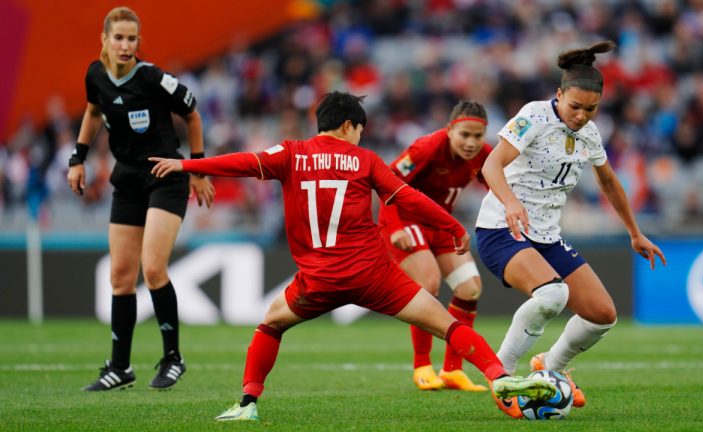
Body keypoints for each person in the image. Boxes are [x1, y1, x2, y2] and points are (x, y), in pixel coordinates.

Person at [150, 91, 556, 421]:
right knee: (447, 324)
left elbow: (242, 162)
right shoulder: (364, 160)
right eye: (359, 128)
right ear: (349, 126)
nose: (360, 135)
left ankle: (247, 403)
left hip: (317, 280)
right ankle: (498, 376)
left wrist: (187, 164)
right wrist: (451, 227)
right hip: (374, 276)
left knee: (270, 324)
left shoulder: (290, 153)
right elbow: (409, 198)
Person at [475, 41, 667, 418]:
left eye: (590, 109)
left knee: (603, 314)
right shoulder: (533, 115)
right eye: (575, 106)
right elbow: (491, 166)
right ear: (558, 94)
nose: (581, 115)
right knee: (552, 295)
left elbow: (610, 183)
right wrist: (511, 202)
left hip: (547, 236)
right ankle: (503, 378)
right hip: (502, 228)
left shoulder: (591, 135)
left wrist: (634, 232)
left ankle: (550, 368)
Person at [67, 6, 215, 391]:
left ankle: (172, 358)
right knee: (120, 277)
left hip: (166, 177)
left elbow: (193, 115)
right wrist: (78, 159)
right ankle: (120, 367)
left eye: (132, 38)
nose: (125, 45)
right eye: (118, 37)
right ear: (104, 39)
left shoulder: (152, 78)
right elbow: (93, 111)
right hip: (128, 180)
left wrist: (196, 170)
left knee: (152, 269)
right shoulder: (95, 74)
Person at [378, 101, 492, 392]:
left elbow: (496, 184)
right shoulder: (426, 148)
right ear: (450, 129)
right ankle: (422, 366)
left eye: (477, 137)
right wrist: (394, 227)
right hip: (407, 220)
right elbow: (386, 182)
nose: (471, 143)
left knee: (470, 288)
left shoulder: (483, 155)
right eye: (464, 135)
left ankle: (453, 370)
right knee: (427, 284)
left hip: (441, 225)